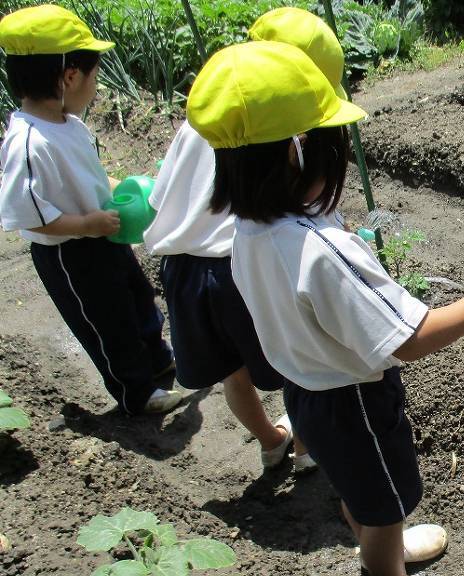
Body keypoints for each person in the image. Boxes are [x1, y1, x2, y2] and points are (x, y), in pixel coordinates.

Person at [187, 41, 464, 576]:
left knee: (358, 489)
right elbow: (407, 339)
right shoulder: (320, 251)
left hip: (306, 394)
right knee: (381, 502)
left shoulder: (244, 233)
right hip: (356, 401)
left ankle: (379, 533)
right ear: (297, 154)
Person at [141, 6, 357, 473]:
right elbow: (307, 214)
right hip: (242, 265)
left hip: (182, 270)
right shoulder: (282, 138)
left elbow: (159, 200)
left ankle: (270, 441)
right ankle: (304, 449)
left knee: (229, 373)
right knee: (296, 366)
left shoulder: (208, 121)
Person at [0, 5, 180, 415]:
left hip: (103, 236)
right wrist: (85, 224)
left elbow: (90, 177)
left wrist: (125, 190)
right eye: (95, 78)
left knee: (136, 296)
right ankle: (135, 392)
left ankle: (157, 357)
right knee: (105, 322)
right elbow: (25, 212)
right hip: (70, 253)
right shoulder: (28, 142)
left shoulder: (69, 123)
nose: (96, 88)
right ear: (69, 77)